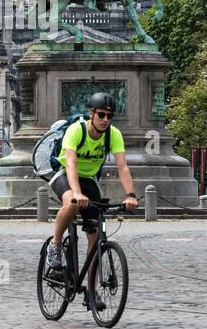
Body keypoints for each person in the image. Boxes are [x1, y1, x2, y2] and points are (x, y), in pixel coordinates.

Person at [46, 93, 138, 311]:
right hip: (64, 175)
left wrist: (130, 195)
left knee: (95, 238)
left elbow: (122, 167)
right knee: (71, 203)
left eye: (109, 116)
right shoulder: (76, 131)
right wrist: (76, 193)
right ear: (92, 114)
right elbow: (70, 163)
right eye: (102, 115)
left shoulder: (113, 135)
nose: (106, 120)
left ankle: (91, 290)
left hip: (90, 180)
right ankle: (55, 247)